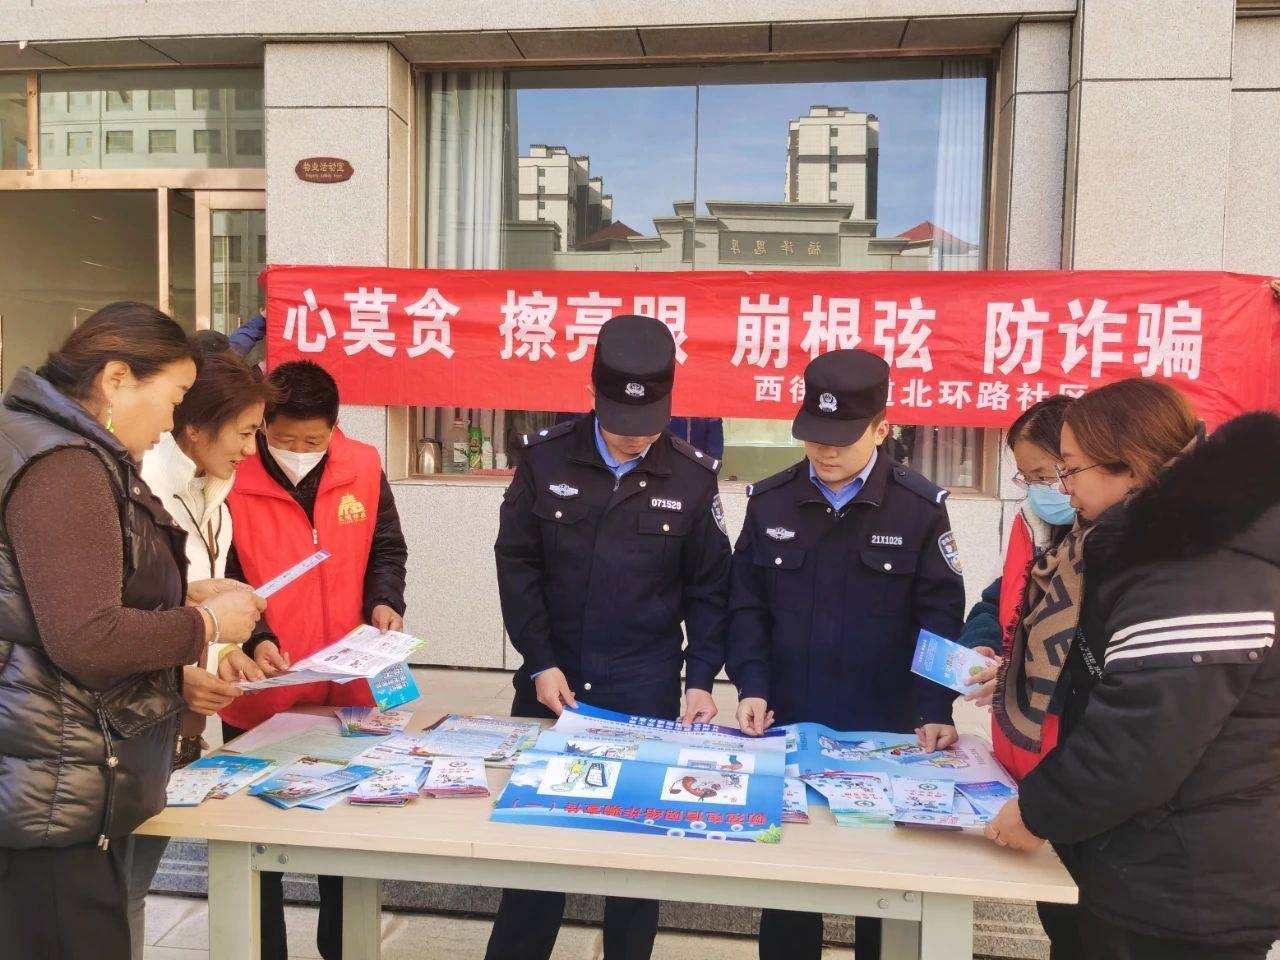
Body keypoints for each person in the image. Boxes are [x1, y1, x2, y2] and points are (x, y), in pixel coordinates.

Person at [0, 302, 263, 959]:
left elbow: (47, 595)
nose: (173, 421)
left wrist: (179, 593)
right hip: (54, 786)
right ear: (117, 378)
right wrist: (205, 623)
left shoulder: (34, 439)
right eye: (173, 397)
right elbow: (87, 636)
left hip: (41, 776)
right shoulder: (65, 462)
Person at [985, 380, 1280, 960]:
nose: (1063, 488)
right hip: (1140, 858)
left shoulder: (1200, 569)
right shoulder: (1147, 548)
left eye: (1070, 469)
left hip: (1184, 885)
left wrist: (1038, 811)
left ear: (1129, 465)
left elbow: (1139, 739)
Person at [488, 314, 731, 960]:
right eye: (622, 422)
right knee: (533, 865)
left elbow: (710, 589)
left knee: (634, 872)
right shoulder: (544, 459)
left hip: (643, 691)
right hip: (552, 685)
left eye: (648, 423)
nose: (634, 437)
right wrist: (538, 659)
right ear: (592, 393)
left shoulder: (692, 477)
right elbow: (517, 566)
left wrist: (701, 680)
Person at [726, 349, 966, 960]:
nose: (826, 451)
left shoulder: (918, 508)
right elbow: (746, 606)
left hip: (882, 727)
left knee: (879, 890)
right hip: (787, 717)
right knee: (788, 888)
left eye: (842, 438)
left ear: (882, 429)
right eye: (814, 436)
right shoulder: (772, 501)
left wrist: (936, 708)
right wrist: (751, 685)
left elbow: (939, 616)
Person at [220, 359, 409, 960]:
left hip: (348, 687)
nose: (299, 452)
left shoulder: (363, 466)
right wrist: (254, 637)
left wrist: (384, 601)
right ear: (263, 424)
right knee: (258, 837)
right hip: (264, 684)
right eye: (286, 439)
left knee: (344, 836)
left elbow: (386, 548)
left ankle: (342, 948)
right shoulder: (232, 474)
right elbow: (223, 570)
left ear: (334, 426)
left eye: (313, 440)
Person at [126, 348, 276, 960]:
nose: (251, 449)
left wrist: (227, 650)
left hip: (175, 726)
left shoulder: (215, 492)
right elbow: (112, 622)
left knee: (134, 883)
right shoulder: (140, 491)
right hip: (132, 722)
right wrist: (178, 673)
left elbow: (185, 601)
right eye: (244, 432)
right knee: (118, 888)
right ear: (193, 426)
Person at [955, 395, 1079, 957]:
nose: (1039, 489)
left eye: (1046, 475)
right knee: (1060, 918)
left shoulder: (1112, 546)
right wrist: (981, 640)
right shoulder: (1034, 524)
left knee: (1085, 917)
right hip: (1026, 756)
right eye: (1026, 477)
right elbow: (996, 598)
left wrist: (1019, 670)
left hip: (1075, 766)